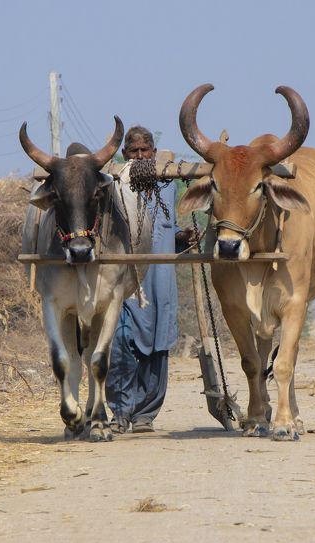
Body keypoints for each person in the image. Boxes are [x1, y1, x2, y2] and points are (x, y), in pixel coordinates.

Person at [105, 125, 192, 433]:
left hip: (162, 281)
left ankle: (145, 415)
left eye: (145, 151)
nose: (140, 156)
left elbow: (167, 233)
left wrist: (182, 238)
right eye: (133, 151)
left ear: (154, 154)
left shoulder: (169, 184)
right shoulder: (113, 184)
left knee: (159, 347)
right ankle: (120, 412)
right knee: (120, 343)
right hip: (128, 281)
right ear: (123, 155)